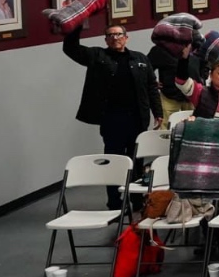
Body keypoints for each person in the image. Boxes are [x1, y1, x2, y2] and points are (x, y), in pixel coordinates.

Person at [63, 24, 162, 209]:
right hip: (111, 120)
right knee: (114, 161)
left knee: (136, 162)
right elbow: (70, 49)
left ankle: (137, 201)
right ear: (105, 40)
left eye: (119, 34)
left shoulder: (140, 59)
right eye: (110, 35)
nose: (115, 38)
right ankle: (115, 203)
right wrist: (76, 28)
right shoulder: (97, 56)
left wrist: (158, 113)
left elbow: (151, 87)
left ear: (126, 37)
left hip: (137, 119)